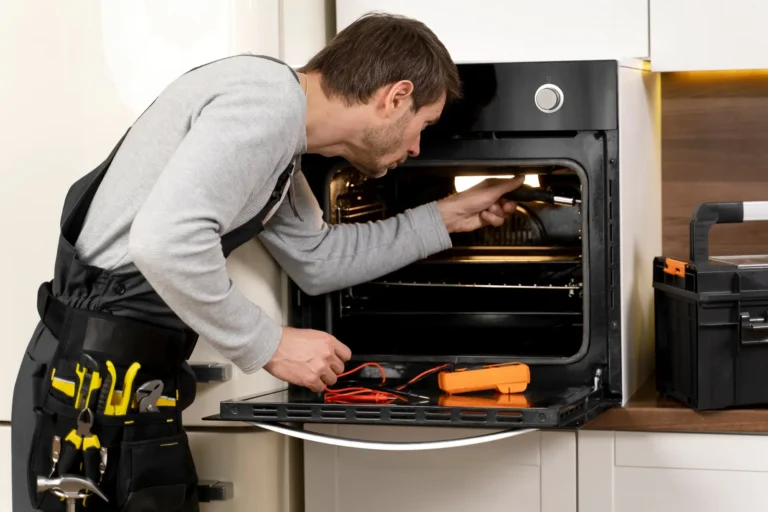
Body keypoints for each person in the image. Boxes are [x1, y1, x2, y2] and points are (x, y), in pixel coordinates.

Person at [11, 12, 524, 512]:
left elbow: (318, 259)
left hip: (127, 384)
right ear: (396, 97)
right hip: (85, 388)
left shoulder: (280, 138)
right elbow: (164, 242)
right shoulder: (266, 104)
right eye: (423, 126)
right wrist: (270, 343)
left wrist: (448, 218)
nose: (415, 148)